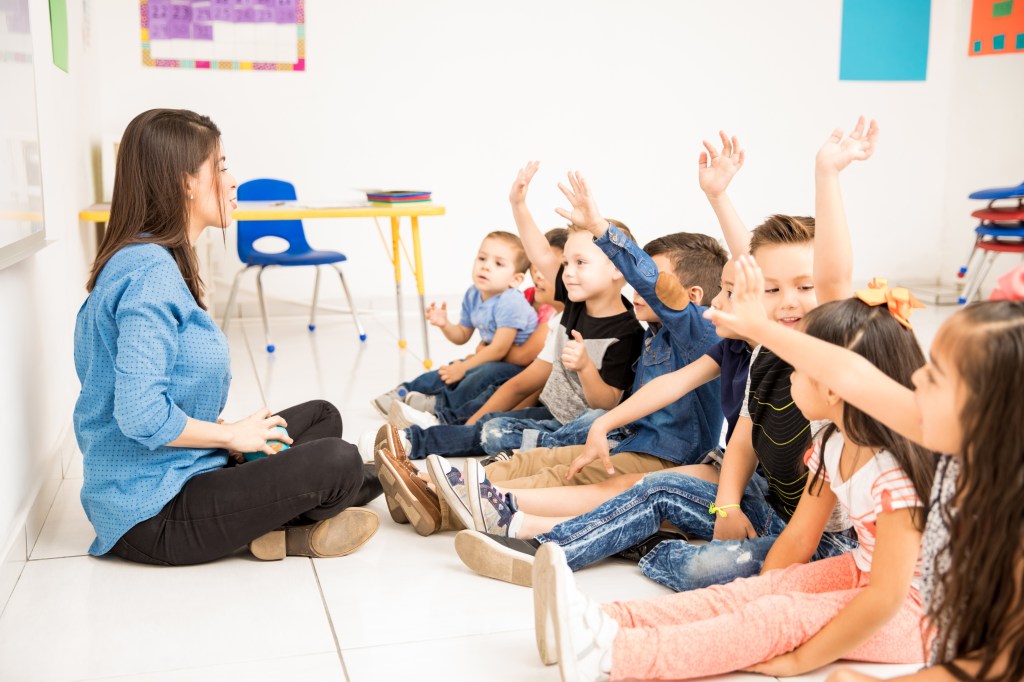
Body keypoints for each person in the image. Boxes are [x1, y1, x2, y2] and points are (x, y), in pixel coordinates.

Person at [445, 120, 879, 588]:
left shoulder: (828, 356)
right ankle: (537, 539)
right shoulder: (761, 352)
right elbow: (742, 437)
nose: (788, 300)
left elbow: (829, 282)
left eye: (805, 287)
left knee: (679, 562)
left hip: (815, 539)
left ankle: (628, 536)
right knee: (644, 486)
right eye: (770, 289)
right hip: (759, 493)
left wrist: (827, 175)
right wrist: (728, 504)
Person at [531, 278, 937, 680]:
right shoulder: (832, 444)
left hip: (917, 614)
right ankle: (600, 622)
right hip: (859, 572)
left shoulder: (893, 477)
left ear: (834, 389)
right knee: (756, 594)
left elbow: (886, 599)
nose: (788, 378)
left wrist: (799, 658)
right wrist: (757, 597)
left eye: (796, 370)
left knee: (783, 615)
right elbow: (798, 539)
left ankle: (616, 656)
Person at [72, 109, 381, 566]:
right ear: (185, 182)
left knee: (322, 417)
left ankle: (354, 488)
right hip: (153, 513)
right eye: (219, 166)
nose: (233, 180)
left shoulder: (151, 259)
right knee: (338, 462)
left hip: (186, 469)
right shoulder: (150, 278)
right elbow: (139, 414)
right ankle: (356, 492)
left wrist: (230, 439)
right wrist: (231, 436)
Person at [716, 266, 1024, 682]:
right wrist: (760, 328)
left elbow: (1003, 661)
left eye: (936, 375)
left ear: (989, 407)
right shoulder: (945, 432)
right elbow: (850, 372)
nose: (916, 377)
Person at [372, 231, 539, 424]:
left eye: (498, 264)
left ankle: (438, 404)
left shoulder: (511, 301)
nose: (485, 266)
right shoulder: (474, 293)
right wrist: (445, 324)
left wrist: (465, 367)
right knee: (451, 369)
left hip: (519, 368)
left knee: (476, 374)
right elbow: (462, 335)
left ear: (515, 280)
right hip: (492, 356)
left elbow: (500, 349)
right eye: (482, 258)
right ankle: (404, 391)